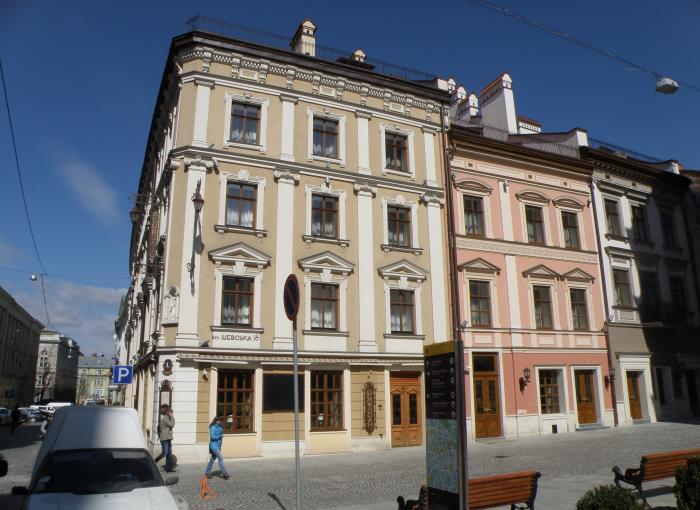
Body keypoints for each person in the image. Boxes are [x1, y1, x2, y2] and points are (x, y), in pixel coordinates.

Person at [154, 405, 175, 471]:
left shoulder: (167, 418)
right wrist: (172, 416)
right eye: (170, 412)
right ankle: (154, 462)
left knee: (169, 454)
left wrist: (171, 417)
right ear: (167, 412)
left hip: (168, 438)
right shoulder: (165, 418)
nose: (171, 413)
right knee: (164, 453)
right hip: (164, 438)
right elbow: (172, 425)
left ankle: (168, 468)